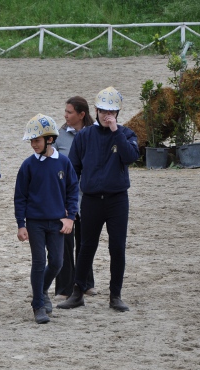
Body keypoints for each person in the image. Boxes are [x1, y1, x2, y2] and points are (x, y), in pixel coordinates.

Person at [57, 87, 140, 312]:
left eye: (111, 112)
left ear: (117, 113)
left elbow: (131, 157)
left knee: (117, 248)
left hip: (117, 200)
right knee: (86, 247)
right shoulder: (84, 136)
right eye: (103, 111)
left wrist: (116, 132)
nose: (106, 115)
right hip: (92, 199)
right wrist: (70, 201)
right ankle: (77, 292)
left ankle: (115, 295)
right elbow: (74, 169)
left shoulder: (127, 134)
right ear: (96, 110)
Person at [15, 114, 79, 324]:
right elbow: (20, 197)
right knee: (38, 262)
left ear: (49, 139)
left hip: (58, 222)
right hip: (35, 223)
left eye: (37, 140)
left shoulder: (64, 162)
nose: (33, 145)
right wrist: (21, 224)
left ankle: (41, 291)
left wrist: (70, 218)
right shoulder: (28, 165)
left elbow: (72, 190)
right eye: (32, 141)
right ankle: (38, 305)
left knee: (57, 263)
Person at [53, 96, 96, 300]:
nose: (65, 115)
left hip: (88, 196)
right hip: (66, 197)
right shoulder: (60, 136)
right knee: (66, 242)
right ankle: (64, 287)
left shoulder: (95, 134)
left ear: (81, 114)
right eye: (65, 111)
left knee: (85, 241)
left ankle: (86, 283)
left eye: (69, 112)